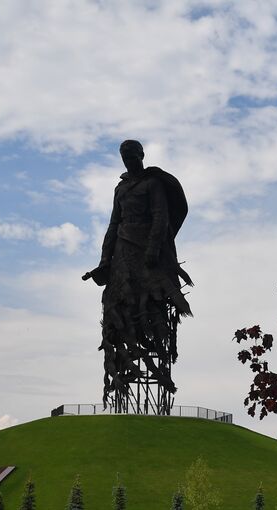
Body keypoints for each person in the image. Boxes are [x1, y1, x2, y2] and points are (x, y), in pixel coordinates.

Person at [83, 140, 193, 412]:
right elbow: (113, 224)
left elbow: (161, 216)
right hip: (123, 251)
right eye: (124, 156)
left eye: (132, 155)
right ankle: (124, 371)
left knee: (151, 307)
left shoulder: (152, 184)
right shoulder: (120, 189)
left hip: (147, 251)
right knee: (120, 308)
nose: (128, 160)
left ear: (141, 156)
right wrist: (104, 261)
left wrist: (154, 249)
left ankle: (158, 374)